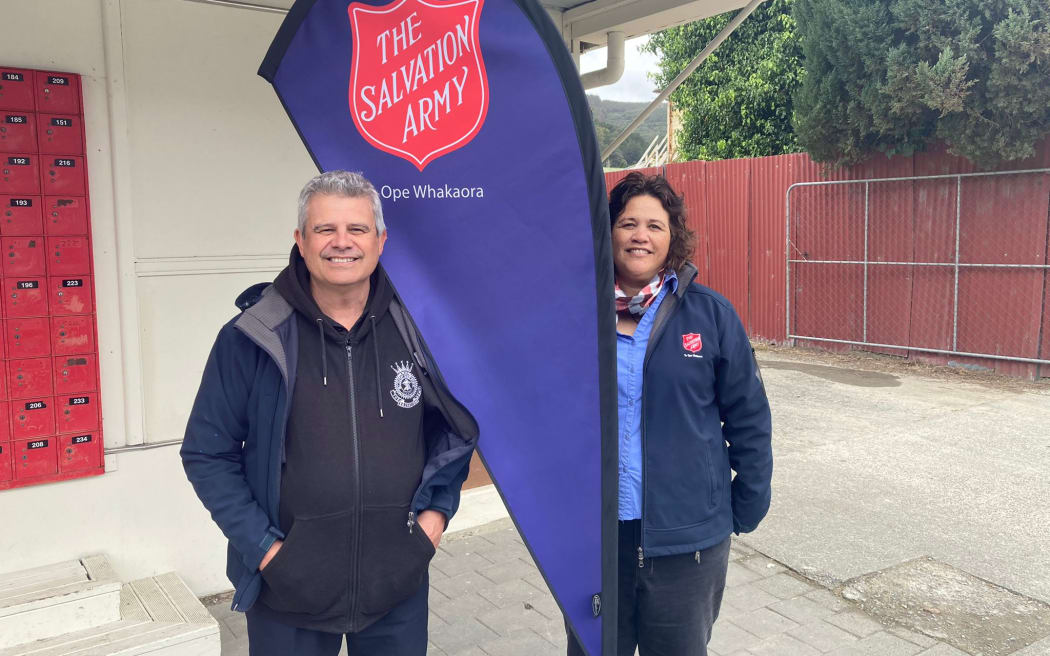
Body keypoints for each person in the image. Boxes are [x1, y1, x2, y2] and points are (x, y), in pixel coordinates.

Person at [181, 170, 478, 656]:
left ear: (381, 241)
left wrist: (434, 519)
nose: (342, 242)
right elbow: (207, 453)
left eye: (357, 229)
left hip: (396, 588)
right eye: (325, 229)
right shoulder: (252, 337)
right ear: (301, 241)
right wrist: (266, 551)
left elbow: (452, 428)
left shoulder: (420, 331)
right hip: (286, 593)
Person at [568, 172, 773, 656]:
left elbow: (749, 419)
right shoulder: (575, 314)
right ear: (607, 232)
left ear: (672, 237)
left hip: (687, 546)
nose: (640, 235)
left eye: (654, 226)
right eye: (627, 223)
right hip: (596, 540)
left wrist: (743, 505)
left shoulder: (711, 315)